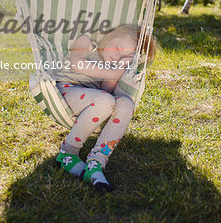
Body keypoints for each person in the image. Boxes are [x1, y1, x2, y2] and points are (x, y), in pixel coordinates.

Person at [54, 24, 156, 192]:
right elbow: (76, 64)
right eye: (117, 48)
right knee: (104, 100)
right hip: (67, 89)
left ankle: (96, 162)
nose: (117, 56)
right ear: (108, 36)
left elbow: (106, 92)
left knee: (125, 104)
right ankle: (67, 153)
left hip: (95, 98)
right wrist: (111, 74)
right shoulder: (86, 40)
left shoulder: (112, 66)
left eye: (125, 56)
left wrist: (118, 70)